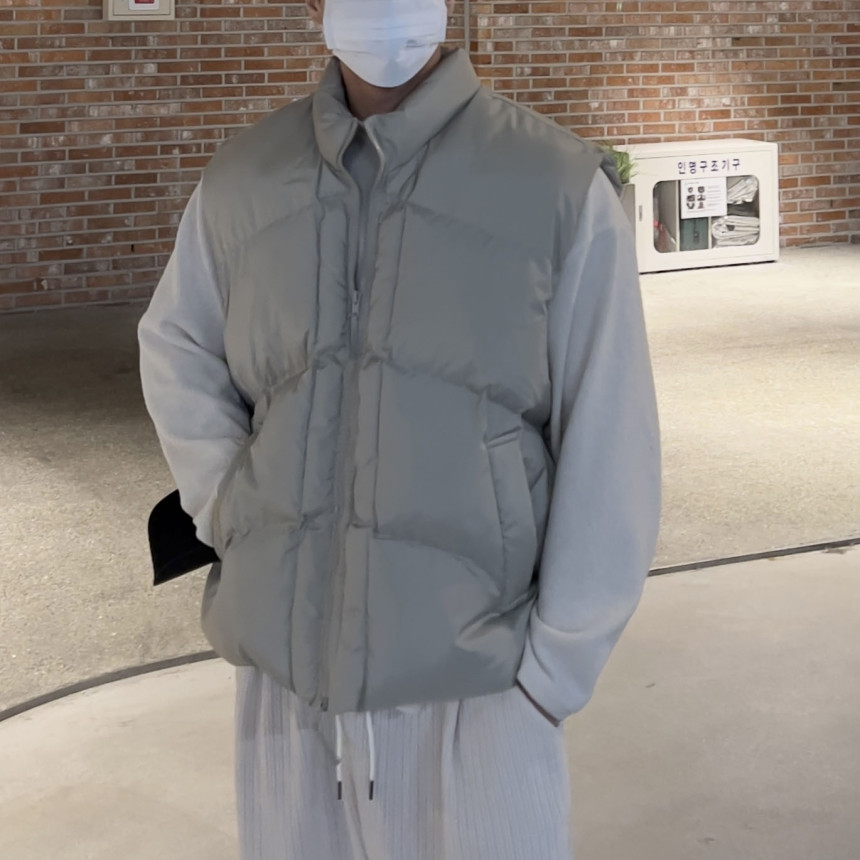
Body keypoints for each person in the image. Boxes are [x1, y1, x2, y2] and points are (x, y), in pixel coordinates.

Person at [138, 0, 661, 856]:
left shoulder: (556, 186)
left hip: (479, 687)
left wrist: (553, 672)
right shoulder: (243, 180)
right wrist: (230, 508)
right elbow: (177, 346)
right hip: (287, 687)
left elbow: (611, 434)